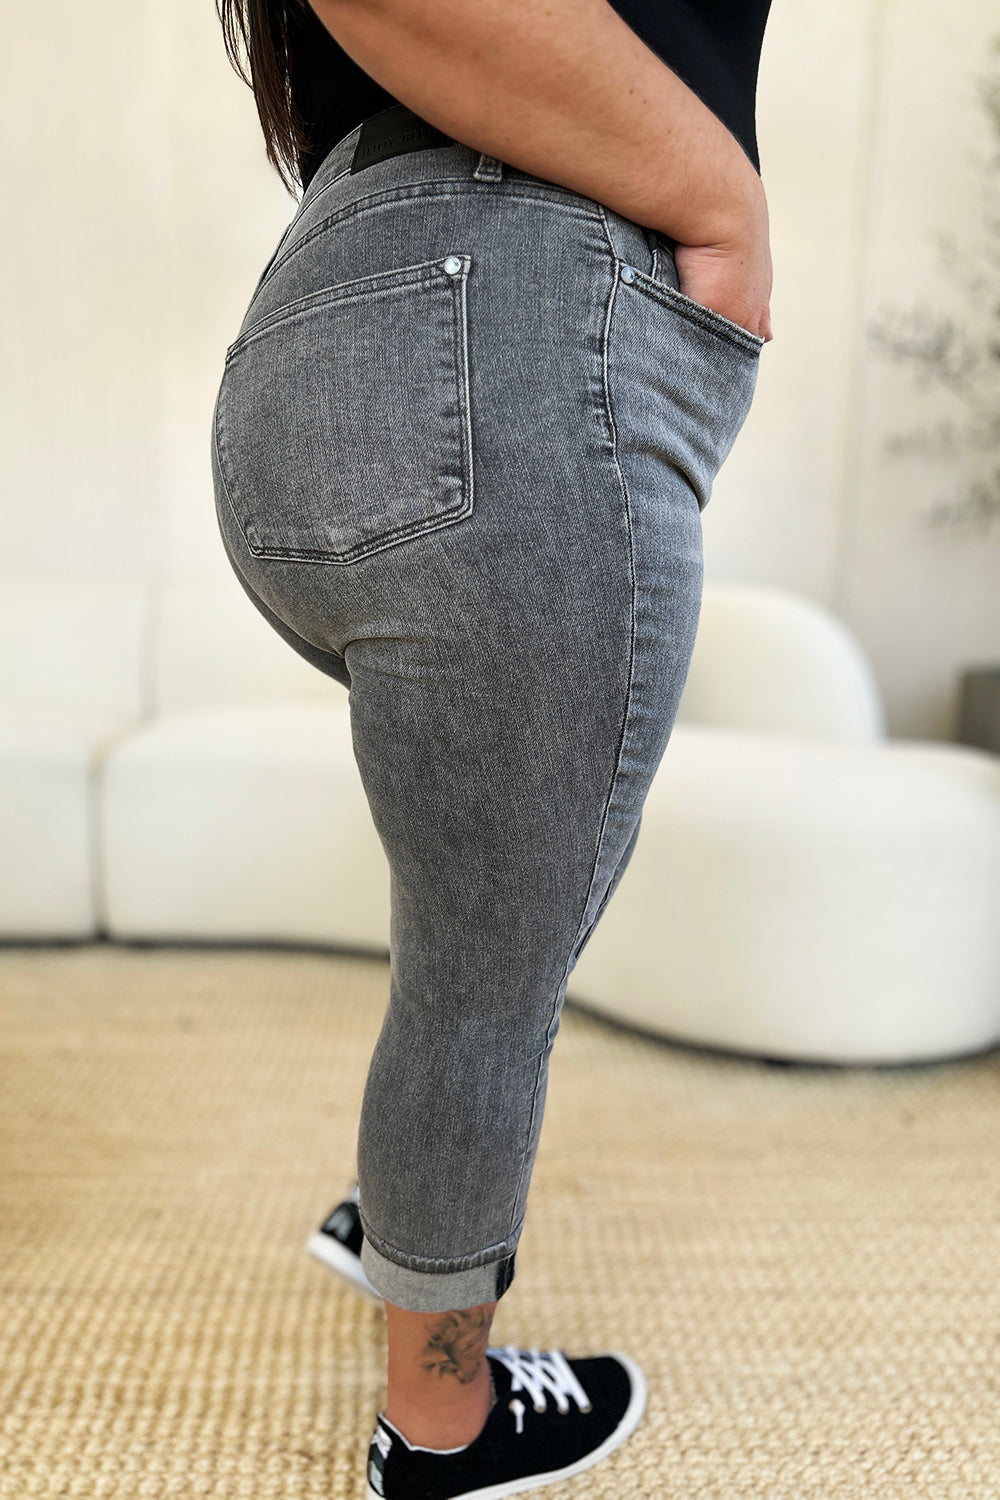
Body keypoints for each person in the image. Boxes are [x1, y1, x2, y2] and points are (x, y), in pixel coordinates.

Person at [211, 0, 773, 1493]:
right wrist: (724, 202)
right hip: (511, 338)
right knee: (489, 977)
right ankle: (442, 1420)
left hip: (329, 340)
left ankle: (394, 1219)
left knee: (467, 904)